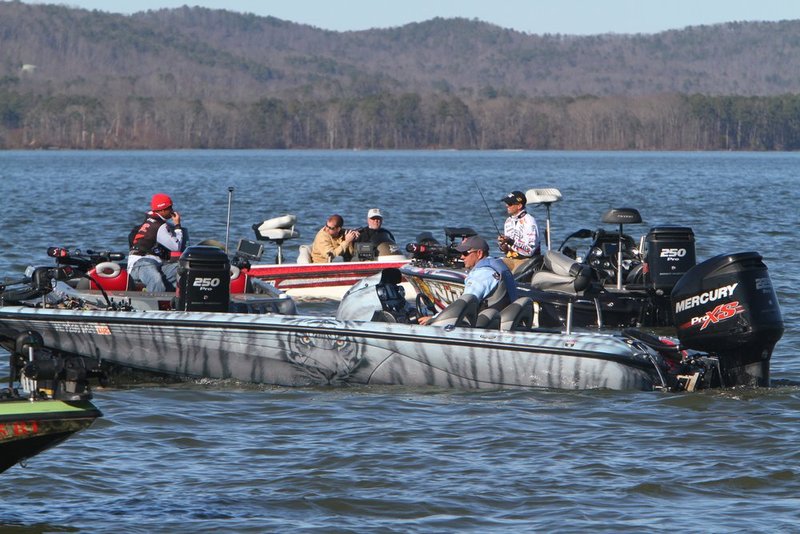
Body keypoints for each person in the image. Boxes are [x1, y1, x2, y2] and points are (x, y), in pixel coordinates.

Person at [419, 236, 517, 324]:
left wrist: (434, 318)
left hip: (485, 329)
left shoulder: (482, 274)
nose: (462, 257)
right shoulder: (498, 267)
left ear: (479, 253)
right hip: (499, 322)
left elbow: (464, 305)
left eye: (465, 253)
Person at [127, 193, 187, 292]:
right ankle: (155, 305)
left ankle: (177, 300)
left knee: (182, 270)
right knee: (156, 280)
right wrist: (177, 226)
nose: (172, 211)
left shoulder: (149, 220)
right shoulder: (159, 225)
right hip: (141, 264)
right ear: (163, 210)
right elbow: (176, 247)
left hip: (154, 263)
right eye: (170, 208)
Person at [497, 190, 540, 272]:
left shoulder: (530, 222)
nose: (506, 206)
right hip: (510, 259)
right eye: (506, 203)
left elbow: (529, 251)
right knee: (489, 264)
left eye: (510, 204)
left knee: (506, 274)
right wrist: (503, 246)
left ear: (519, 206)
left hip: (526, 261)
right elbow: (507, 250)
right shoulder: (508, 221)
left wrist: (510, 241)